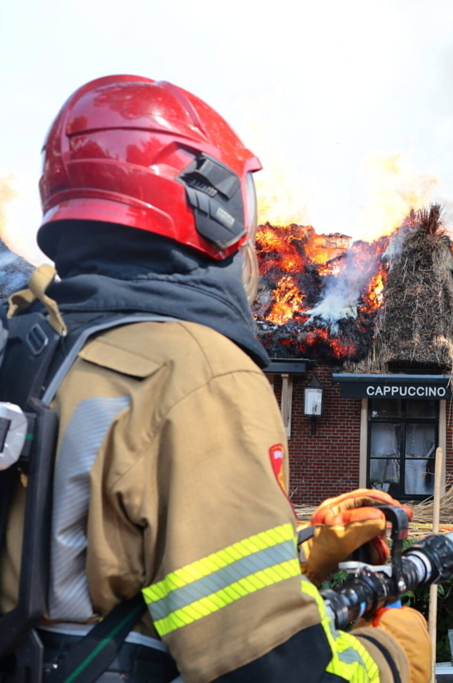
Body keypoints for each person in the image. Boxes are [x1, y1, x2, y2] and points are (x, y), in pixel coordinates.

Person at [0, 75, 429, 683]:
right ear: (212, 200)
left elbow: (96, 566)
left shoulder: (36, 349)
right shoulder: (194, 373)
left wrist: (299, 555)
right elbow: (270, 670)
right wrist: (389, 657)